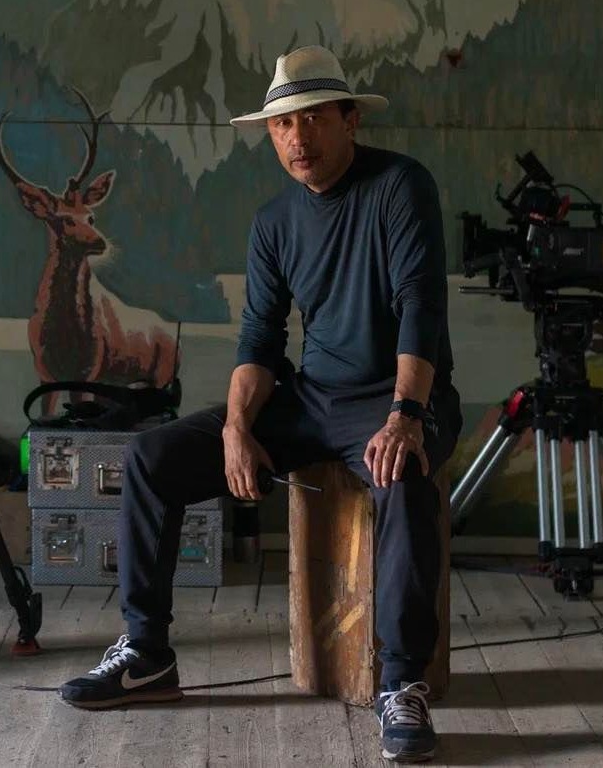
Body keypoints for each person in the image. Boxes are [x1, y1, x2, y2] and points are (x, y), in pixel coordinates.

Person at [59, 45, 462, 764]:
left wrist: (405, 415)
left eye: (313, 119)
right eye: (282, 125)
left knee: (401, 472)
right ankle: (147, 653)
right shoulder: (275, 221)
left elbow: (420, 307)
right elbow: (260, 339)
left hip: (399, 397)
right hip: (313, 399)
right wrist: (237, 427)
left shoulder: (401, 185)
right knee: (152, 458)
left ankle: (402, 684)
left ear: (349, 119)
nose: (297, 138)